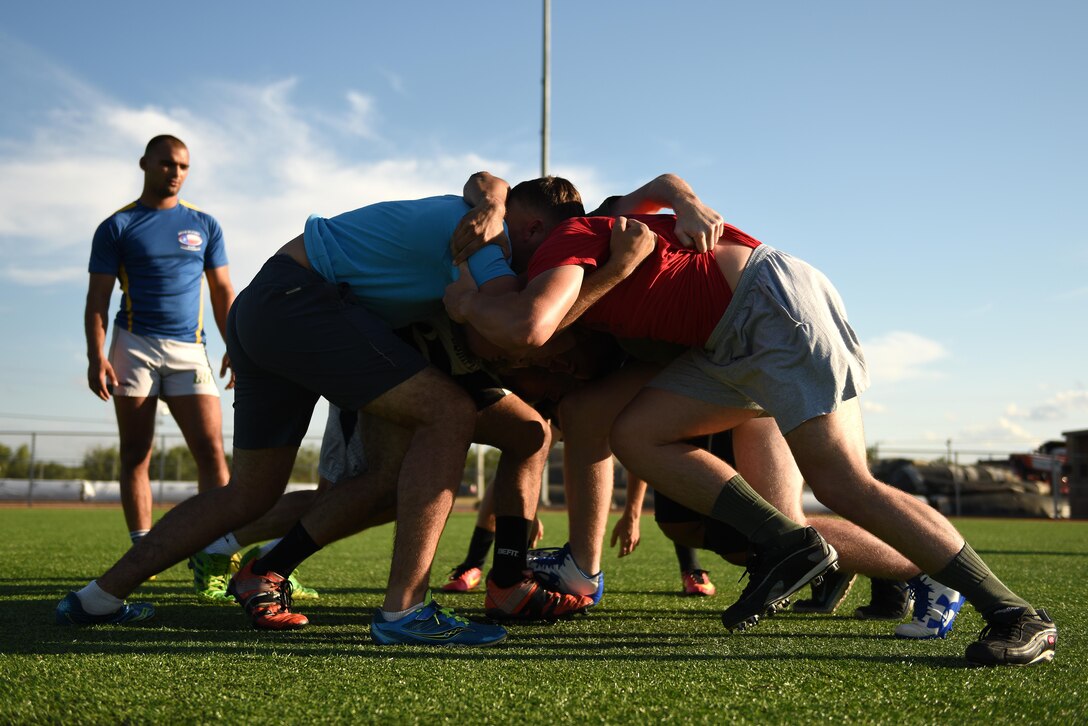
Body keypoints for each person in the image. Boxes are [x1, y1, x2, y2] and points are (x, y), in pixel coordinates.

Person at [444, 174, 1057, 666]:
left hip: (766, 306)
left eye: (515, 249)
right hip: (726, 343)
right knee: (638, 434)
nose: (520, 269)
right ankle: (790, 546)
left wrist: (471, 299)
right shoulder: (591, 224)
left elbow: (534, 326)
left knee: (845, 483)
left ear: (533, 229)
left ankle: (1014, 614)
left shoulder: (564, 237)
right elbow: (505, 188)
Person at [57, 184, 642, 645]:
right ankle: (404, 610)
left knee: (254, 494)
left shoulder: (481, 209)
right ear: (533, 226)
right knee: (447, 416)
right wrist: (610, 277)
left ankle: (98, 597)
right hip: (304, 302)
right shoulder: (484, 235)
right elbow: (519, 330)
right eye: (548, 250)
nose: (549, 266)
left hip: (275, 305)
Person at [84, 135, 233, 566]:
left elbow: (222, 290)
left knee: (211, 453)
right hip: (134, 346)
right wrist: (97, 356)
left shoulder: (205, 225)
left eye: (184, 166)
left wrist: (235, 346)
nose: (176, 173)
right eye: (168, 164)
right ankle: (142, 553)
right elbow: (97, 300)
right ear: (145, 163)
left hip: (191, 349)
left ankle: (214, 557)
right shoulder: (118, 226)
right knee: (136, 453)